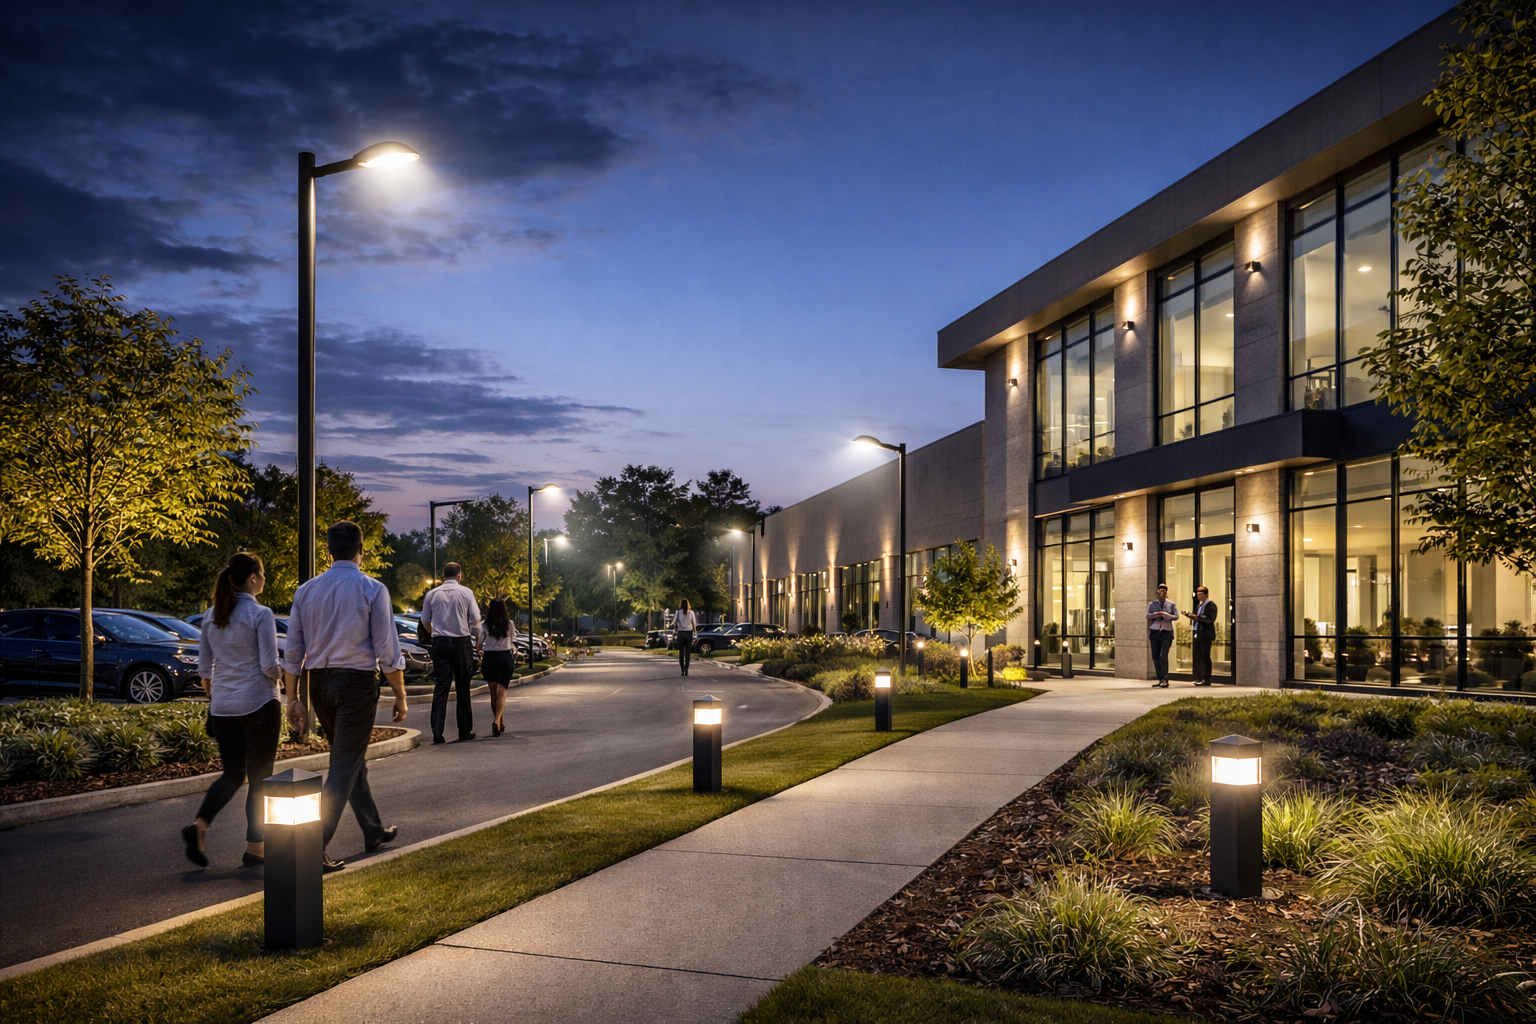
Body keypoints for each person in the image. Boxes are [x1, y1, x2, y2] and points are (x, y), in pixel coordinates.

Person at [282, 521, 407, 872]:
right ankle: (311, 846)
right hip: (355, 684)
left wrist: (292, 698)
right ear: (361, 550)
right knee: (343, 764)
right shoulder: (372, 588)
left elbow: (293, 650)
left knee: (350, 759)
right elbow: (387, 647)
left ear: (328, 552)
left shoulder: (306, 591)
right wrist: (400, 694)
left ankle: (373, 830)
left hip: (319, 683)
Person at [182, 552, 281, 868]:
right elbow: (268, 666)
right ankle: (255, 847)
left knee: (232, 775)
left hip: (223, 708)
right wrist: (289, 671)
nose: (264, 578)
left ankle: (200, 825)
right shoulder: (260, 614)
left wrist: (216, 703)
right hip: (259, 704)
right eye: (262, 573)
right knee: (260, 778)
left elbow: (205, 672)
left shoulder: (211, 615)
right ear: (252, 578)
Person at [419, 562, 482, 743]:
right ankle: (464, 730)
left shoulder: (431, 594)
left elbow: (425, 620)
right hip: (461, 642)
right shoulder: (466, 592)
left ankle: (437, 731)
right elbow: (476, 619)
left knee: (441, 687)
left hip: (439, 642)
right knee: (463, 687)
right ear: (459, 576)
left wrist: (433, 634)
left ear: (443, 575)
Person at [481, 597, 516, 735]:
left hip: (489, 658)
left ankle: (498, 720)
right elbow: (512, 639)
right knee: (502, 691)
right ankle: (497, 721)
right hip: (504, 657)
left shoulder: (484, 625)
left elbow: (478, 645)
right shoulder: (510, 624)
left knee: (493, 692)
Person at [1146, 583, 1178, 688]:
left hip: (1166, 631)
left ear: (1166, 592)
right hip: (1155, 630)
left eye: (1164, 590)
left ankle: (1165, 678)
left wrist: (1166, 615)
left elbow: (1176, 616)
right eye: (1160, 590)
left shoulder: (1171, 604)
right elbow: (1148, 615)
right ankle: (1160, 678)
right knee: (1155, 656)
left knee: (1163, 655)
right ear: (1158, 591)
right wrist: (1156, 615)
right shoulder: (1152, 604)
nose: (1162, 591)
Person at [1185, 586, 1217, 686]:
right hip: (1198, 633)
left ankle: (1207, 679)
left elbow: (1210, 619)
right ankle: (1200, 677)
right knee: (1199, 656)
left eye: (1201, 595)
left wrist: (1196, 617)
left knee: (1205, 657)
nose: (1199, 597)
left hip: (1206, 634)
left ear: (1206, 595)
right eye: (1198, 595)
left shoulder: (1210, 605)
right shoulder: (1199, 605)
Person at [673, 599, 698, 676]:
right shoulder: (691, 613)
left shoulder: (678, 612)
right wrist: (695, 631)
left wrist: (675, 628)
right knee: (687, 652)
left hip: (681, 633)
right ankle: (686, 669)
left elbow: (674, 623)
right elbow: (694, 623)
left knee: (681, 652)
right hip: (689, 633)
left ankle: (682, 669)